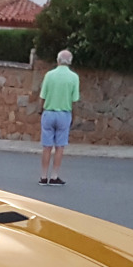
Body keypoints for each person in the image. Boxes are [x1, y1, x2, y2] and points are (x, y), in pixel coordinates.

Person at [38, 49, 79, 186]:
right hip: (64, 113)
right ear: (70, 61)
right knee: (60, 147)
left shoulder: (49, 75)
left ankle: (43, 176)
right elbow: (74, 100)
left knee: (47, 147)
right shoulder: (74, 77)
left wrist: (40, 110)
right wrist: (74, 116)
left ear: (58, 60)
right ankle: (54, 176)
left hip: (49, 112)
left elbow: (42, 96)